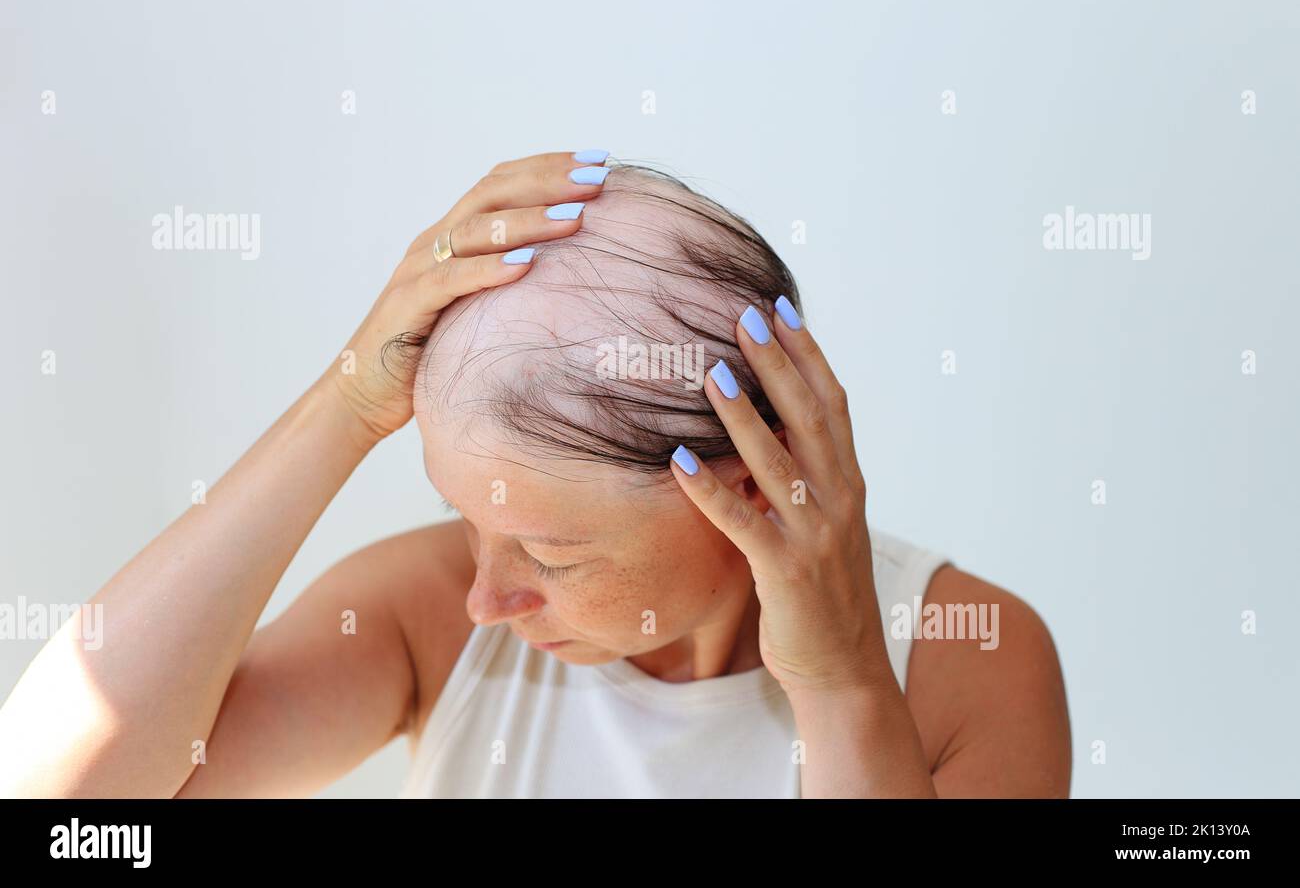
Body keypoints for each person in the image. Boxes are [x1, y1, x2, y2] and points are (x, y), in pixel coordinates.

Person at [0, 152, 1070, 798]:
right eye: (468, 518)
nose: (486, 595)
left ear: (749, 484)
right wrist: (344, 402)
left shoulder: (966, 662)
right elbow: (63, 807)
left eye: (552, 551)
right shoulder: (428, 614)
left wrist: (839, 682)